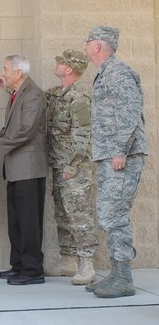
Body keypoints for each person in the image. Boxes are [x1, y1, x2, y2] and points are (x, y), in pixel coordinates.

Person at [84, 27, 148, 298]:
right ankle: (115, 273)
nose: (85, 47)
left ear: (98, 46)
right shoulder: (106, 73)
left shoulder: (118, 72)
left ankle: (124, 278)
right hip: (111, 155)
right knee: (108, 215)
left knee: (114, 215)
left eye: (88, 42)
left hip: (121, 157)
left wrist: (120, 151)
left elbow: (130, 112)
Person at [0, 54, 48, 285]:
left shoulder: (34, 94)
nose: (3, 72)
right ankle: (18, 266)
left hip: (28, 169)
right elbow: (9, 129)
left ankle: (33, 271)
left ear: (18, 72)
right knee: (17, 221)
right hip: (16, 168)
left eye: (5, 68)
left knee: (29, 223)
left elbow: (26, 131)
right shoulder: (18, 94)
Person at [45, 49, 98, 285]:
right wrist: (9, 86)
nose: (56, 64)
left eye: (60, 62)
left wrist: (72, 165)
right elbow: (32, 99)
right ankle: (68, 261)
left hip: (73, 169)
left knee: (79, 215)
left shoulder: (79, 98)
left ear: (68, 69)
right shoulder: (56, 94)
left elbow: (83, 135)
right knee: (63, 214)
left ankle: (87, 265)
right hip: (58, 165)